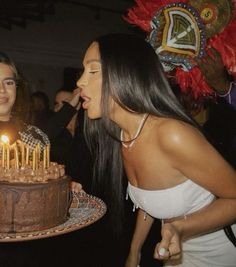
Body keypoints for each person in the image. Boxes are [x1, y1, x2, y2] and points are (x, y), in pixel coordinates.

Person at [76, 33, 236, 267]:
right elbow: (150, 201)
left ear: (127, 74)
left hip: (221, 253)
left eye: (93, 71)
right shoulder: (124, 136)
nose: (80, 81)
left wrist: (180, 227)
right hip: (174, 251)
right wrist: (135, 251)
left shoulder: (171, 134)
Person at [50, 88, 92, 193]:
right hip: (61, 195)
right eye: (56, 104)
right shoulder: (52, 135)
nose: (57, 108)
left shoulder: (88, 132)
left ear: (77, 104)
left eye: (64, 104)